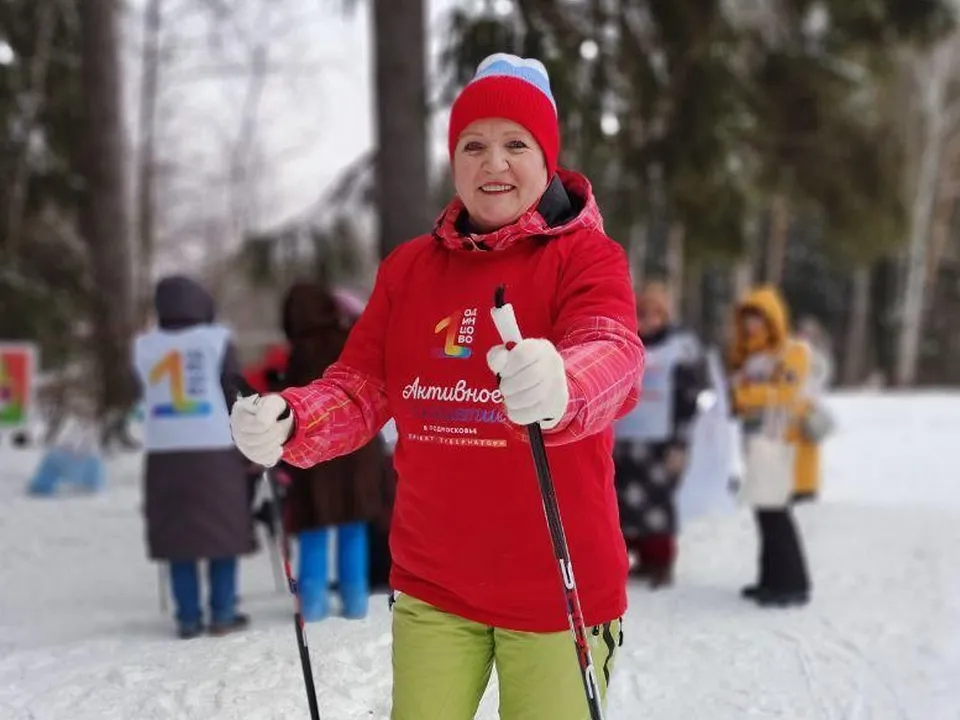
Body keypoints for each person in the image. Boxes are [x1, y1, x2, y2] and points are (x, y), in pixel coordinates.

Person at [229, 52, 644, 719]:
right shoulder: (410, 271)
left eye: (516, 143)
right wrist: (291, 418)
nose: (493, 162)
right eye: (473, 145)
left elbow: (614, 354)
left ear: (548, 157)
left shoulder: (587, 258)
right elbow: (361, 386)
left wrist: (563, 382)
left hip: (556, 595)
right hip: (435, 584)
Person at [133, 275, 255, 638]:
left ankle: (187, 617)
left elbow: (140, 389)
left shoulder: (143, 345)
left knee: (177, 536)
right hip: (214, 447)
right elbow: (234, 390)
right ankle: (222, 612)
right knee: (222, 530)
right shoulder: (216, 339)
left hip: (164, 450)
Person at [278, 281, 389, 620]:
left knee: (315, 525)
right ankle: (355, 602)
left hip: (315, 455)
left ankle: (312, 604)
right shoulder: (348, 338)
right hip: (357, 451)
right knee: (353, 524)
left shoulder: (299, 353)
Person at [613, 283, 707, 588]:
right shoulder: (623, 339)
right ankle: (628, 557)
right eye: (644, 312)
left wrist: (681, 442)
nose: (650, 319)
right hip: (622, 437)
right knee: (620, 500)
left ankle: (659, 561)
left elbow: (690, 396)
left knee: (656, 502)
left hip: (661, 440)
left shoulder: (680, 348)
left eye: (657, 313)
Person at [727, 285, 811, 608]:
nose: (751, 326)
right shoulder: (749, 356)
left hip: (778, 440)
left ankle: (791, 581)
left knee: (776, 512)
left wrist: (745, 396)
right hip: (754, 440)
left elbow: (786, 392)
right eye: (747, 319)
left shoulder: (791, 350)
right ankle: (771, 577)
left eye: (758, 319)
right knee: (764, 511)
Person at [792, 316, 835, 502]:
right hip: (792, 414)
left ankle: (806, 488)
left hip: (807, 413)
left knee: (807, 453)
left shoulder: (817, 359)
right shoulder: (792, 355)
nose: (805, 337)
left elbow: (818, 383)